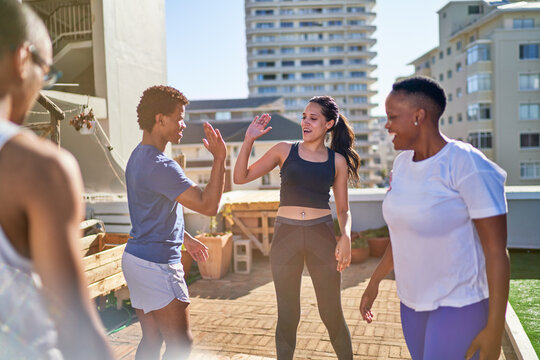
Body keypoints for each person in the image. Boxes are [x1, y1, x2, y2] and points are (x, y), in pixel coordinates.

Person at [359, 76, 509, 360]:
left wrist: (495, 328)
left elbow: (496, 252)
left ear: (419, 116)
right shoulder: (402, 165)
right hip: (411, 302)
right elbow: (402, 234)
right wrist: (375, 280)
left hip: (460, 302)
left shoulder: (467, 164)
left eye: (392, 117)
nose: (386, 125)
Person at [0, 1, 113, 358]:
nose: (42, 85)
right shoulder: (38, 166)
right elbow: (77, 330)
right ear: (22, 59)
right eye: (46, 71)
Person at [234, 96, 360, 359]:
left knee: (331, 314)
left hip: (321, 237)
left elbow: (344, 209)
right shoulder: (284, 150)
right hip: (286, 237)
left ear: (329, 124)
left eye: (313, 118)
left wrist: (345, 236)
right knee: (288, 315)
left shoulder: (336, 161)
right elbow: (240, 177)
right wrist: (249, 140)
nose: (306, 122)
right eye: (304, 117)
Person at [122, 85, 226, 359]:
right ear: (160, 119)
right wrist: (219, 159)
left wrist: (187, 240)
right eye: (179, 117)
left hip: (136, 258)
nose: (183, 124)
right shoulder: (161, 165)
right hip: (157, 265)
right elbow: (209, 205)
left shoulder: (137, 156)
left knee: (152, 338)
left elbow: (154, 213)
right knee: (181, 344)